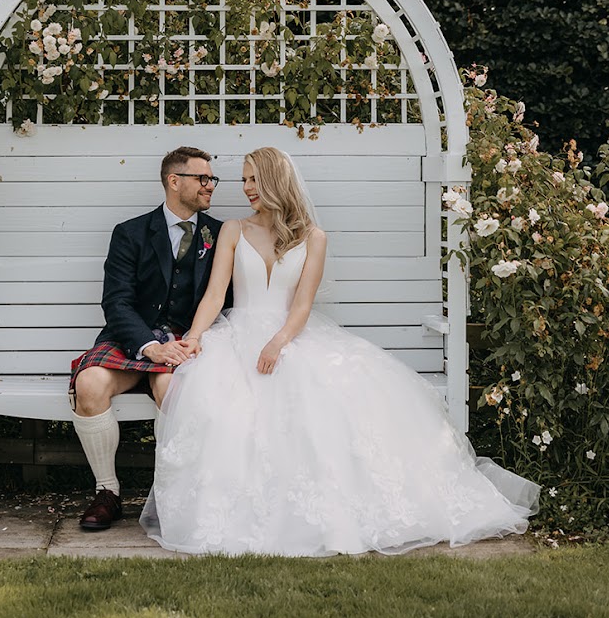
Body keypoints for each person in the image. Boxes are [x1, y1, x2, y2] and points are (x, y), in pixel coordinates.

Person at [142, 147, 540, 556]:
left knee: (325, 402)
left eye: (253, 180)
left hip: (289, 335)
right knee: (220, 404)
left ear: (275, 182)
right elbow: (213, 296)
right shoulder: (232, 230)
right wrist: (195, 335)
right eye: (243, 180)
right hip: (236, 333)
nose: (245, 189)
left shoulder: (314, 238)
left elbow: (301, 306)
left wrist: (278, 342)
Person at [69, 146, 229, 530]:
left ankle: (170, 492)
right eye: (202, 178)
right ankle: (107, 493)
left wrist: (191, 339)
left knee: (174, 390)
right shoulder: (130, 233)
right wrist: (149, 346)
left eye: (212, 179)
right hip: (133, 340)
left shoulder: (220, 235)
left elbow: (227, 298)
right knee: (88, 382)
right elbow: (116, 301)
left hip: (185, 341)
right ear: (175, 182)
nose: (210, 185)